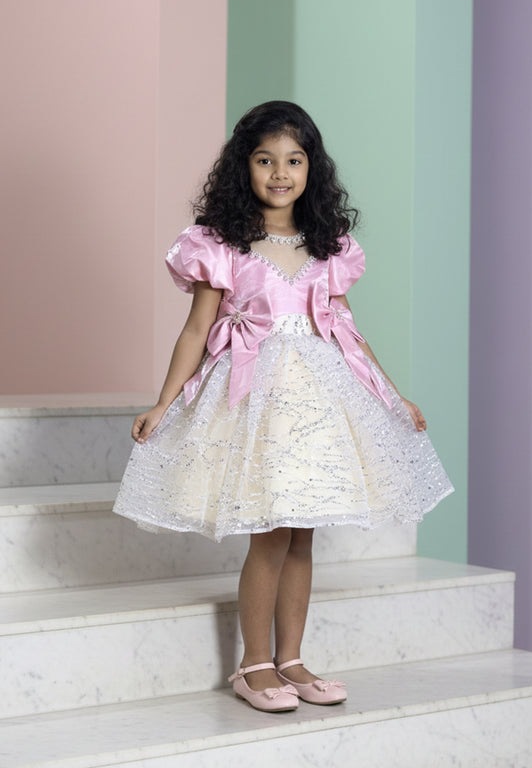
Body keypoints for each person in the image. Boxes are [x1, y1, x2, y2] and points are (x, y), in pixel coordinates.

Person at [113, 100, 454, 713]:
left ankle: (291, 657)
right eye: (265, 159)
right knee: (269, 533)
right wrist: (165, 403)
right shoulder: (223, 244)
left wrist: (390, 391)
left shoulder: (328, 246)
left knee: (303, 534)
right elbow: (196, 331)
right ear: (243, 166)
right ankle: (253, 665)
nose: (279, 173)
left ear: (310, 168)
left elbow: (346, 330)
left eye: (293, 160)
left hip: (319, 401)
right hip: (254, 402)